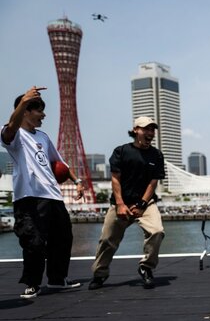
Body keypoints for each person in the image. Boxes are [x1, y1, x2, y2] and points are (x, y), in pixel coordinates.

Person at [1, 86, 85, 299]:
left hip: (53, 196)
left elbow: (59, 163)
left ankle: (57, 279)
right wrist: (23, 101)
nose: (44, 115)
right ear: (26, 111)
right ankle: (32, 283)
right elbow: (11, 127)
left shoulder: (44, 137)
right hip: (28, 197)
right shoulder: (14, 135)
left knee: (63, 238)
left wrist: (78, 182)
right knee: (33, 242)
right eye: (39, 110)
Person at [89, 116, 165, 290]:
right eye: (146, 129)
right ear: (136, 130)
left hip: (145, 204)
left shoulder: (157, 155)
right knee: (108, 240)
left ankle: (146, 268)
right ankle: (99, 274)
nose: (150, 133)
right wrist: (121, 204)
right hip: (120, 203)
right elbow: (115, 179)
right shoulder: (121, 151)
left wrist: (142, 204)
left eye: (152, 130)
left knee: (157, 231)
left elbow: (153, 182)